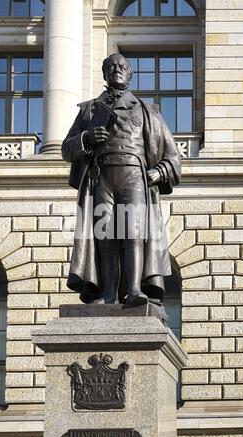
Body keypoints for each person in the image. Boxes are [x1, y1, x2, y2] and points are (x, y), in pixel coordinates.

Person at [62, 53, 181, 307]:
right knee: (106, 237)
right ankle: (108, 295)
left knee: (134, 233)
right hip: (101, 177)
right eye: (112, 66)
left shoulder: (148, 111)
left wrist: (158, 172)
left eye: (122, 67)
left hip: (135, 177)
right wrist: (86, 138)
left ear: (130, 74)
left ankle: (135, 289)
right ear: (104, 74)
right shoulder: (89, 110)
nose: (117, 69)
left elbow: (173, 156)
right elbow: (66, 148)